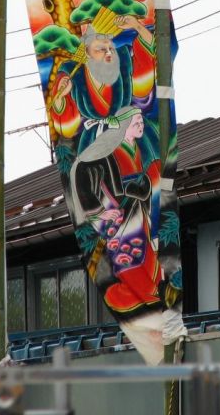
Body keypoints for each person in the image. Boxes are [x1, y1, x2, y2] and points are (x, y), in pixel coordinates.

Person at [69, 107, 163, 317]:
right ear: (123, 126)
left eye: (141, 121)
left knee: (146, 254)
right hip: (120, 214)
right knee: (128, 255)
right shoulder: (111, 150)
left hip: (137, 210)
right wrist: (99, 211)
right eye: (136, 122)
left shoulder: (135, 147)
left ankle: (151, 296)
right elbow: (83, 173)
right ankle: (138, 297)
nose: (141, 125)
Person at [50, 14, 156, 157]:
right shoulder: (73, 73)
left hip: (126, 130)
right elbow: (66, 123)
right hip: (93, 139)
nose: (108, 53)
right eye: (101, 49)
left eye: (110, 48)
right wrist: (61, 96)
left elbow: (146, 61)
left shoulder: (123, 61)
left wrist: (137, 26)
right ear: (86, 53)